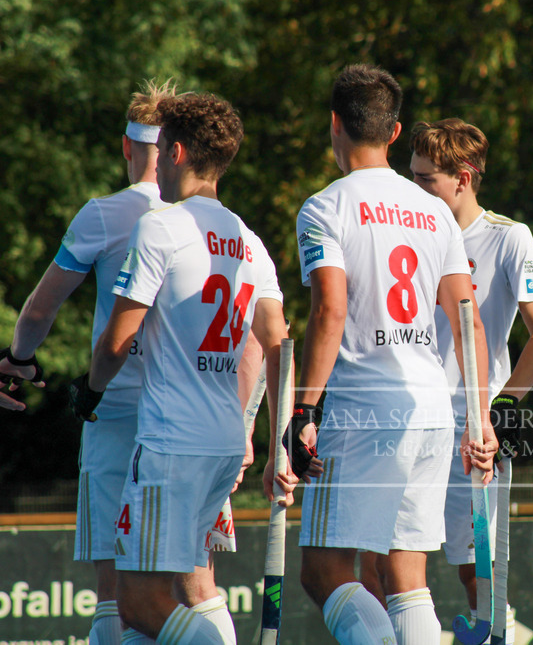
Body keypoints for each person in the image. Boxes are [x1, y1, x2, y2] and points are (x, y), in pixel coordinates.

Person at [0, 80, 260, 645]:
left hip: (124, 417)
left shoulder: (114, 216)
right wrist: (245, 420)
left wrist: (18, 360)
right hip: (207, 418)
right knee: (197, 581)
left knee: (122, 592)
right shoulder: (234, 228)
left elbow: (41, 309)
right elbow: (266, 339)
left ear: (131, 147)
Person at [66, 91, 292, 644]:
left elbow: (118, 341)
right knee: (183, 585)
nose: (155, 164)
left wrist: (89, 391)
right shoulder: (248, 240)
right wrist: (277, 438)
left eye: (161, 148)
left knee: (138, 602)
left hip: (171, 442)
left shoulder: (161, 227)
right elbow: (280, 343)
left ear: (179, 152)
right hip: (219, 441)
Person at [288, 65, 498, 645]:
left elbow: (330, 310)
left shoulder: (324, 207)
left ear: (334, 124)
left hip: (364, 408)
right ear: (396, 130)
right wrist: (479, 418)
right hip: (431, 406)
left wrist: (303, 411)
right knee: (406, 577)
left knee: (325, 572)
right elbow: (468, 319)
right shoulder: (432, 208)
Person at [409, 117, 533, 636]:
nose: (415, 188)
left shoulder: (508, 237)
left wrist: (505, 404)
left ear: (464, 178)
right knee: (396, 557)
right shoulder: (406, 228)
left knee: (474, 567)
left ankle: (499, 630)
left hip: (472, 426)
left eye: (426, 179)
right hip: (407, 413)